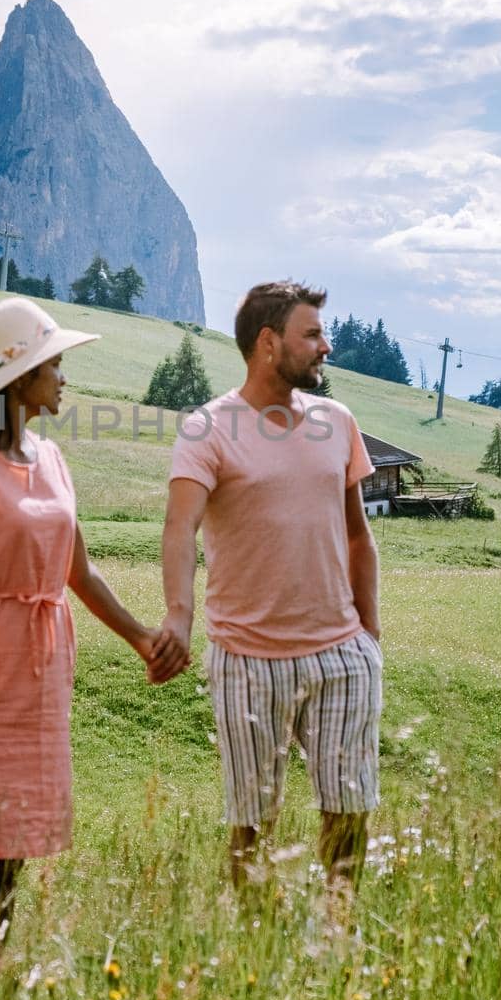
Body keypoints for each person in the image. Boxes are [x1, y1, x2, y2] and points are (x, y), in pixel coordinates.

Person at [0, 296, 187, 959]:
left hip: (42, 668)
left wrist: (143, 639)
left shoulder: (51, 459)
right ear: (18, 379)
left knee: (17, 849)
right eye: (54, 365)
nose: (64, 378)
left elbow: (79, 572)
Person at [153, 280, 381, 922]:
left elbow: (359, 537)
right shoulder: (208, 428)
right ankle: (257, 945)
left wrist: (371, 639)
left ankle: (337, 930)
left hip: (341, 657)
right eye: (312, 334)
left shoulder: (337, 423)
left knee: (350, 808)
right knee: (253, 821)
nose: (325, 347)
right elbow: (179, 528)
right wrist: (179, 614)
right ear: (267, 342)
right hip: (247, 660)